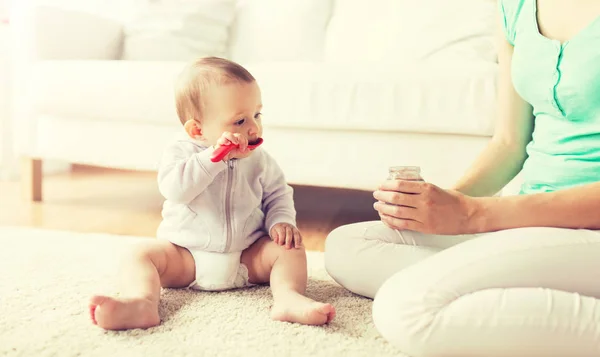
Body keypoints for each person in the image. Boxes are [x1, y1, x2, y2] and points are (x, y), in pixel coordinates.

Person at [324, 0, 600, 355]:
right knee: (349, 246)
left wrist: (474, 214)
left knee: (407, 308)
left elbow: (478, 211)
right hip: (528, 224)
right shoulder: (515, 7)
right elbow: (509, 144)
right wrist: (441, 207)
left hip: (585, 228)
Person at [89, 57, 336, 330]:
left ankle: (288, 297)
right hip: (186, 257)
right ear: (197, 130)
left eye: (257, 115)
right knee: (138, 255)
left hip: (247, 257)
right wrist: (213, 158)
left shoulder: (260, 159)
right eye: (240, 121)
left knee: (290, 250)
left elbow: (278, 194)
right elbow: (176, 190)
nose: (253, 128)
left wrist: (281, 222)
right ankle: (142, 302)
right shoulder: (180, 152)